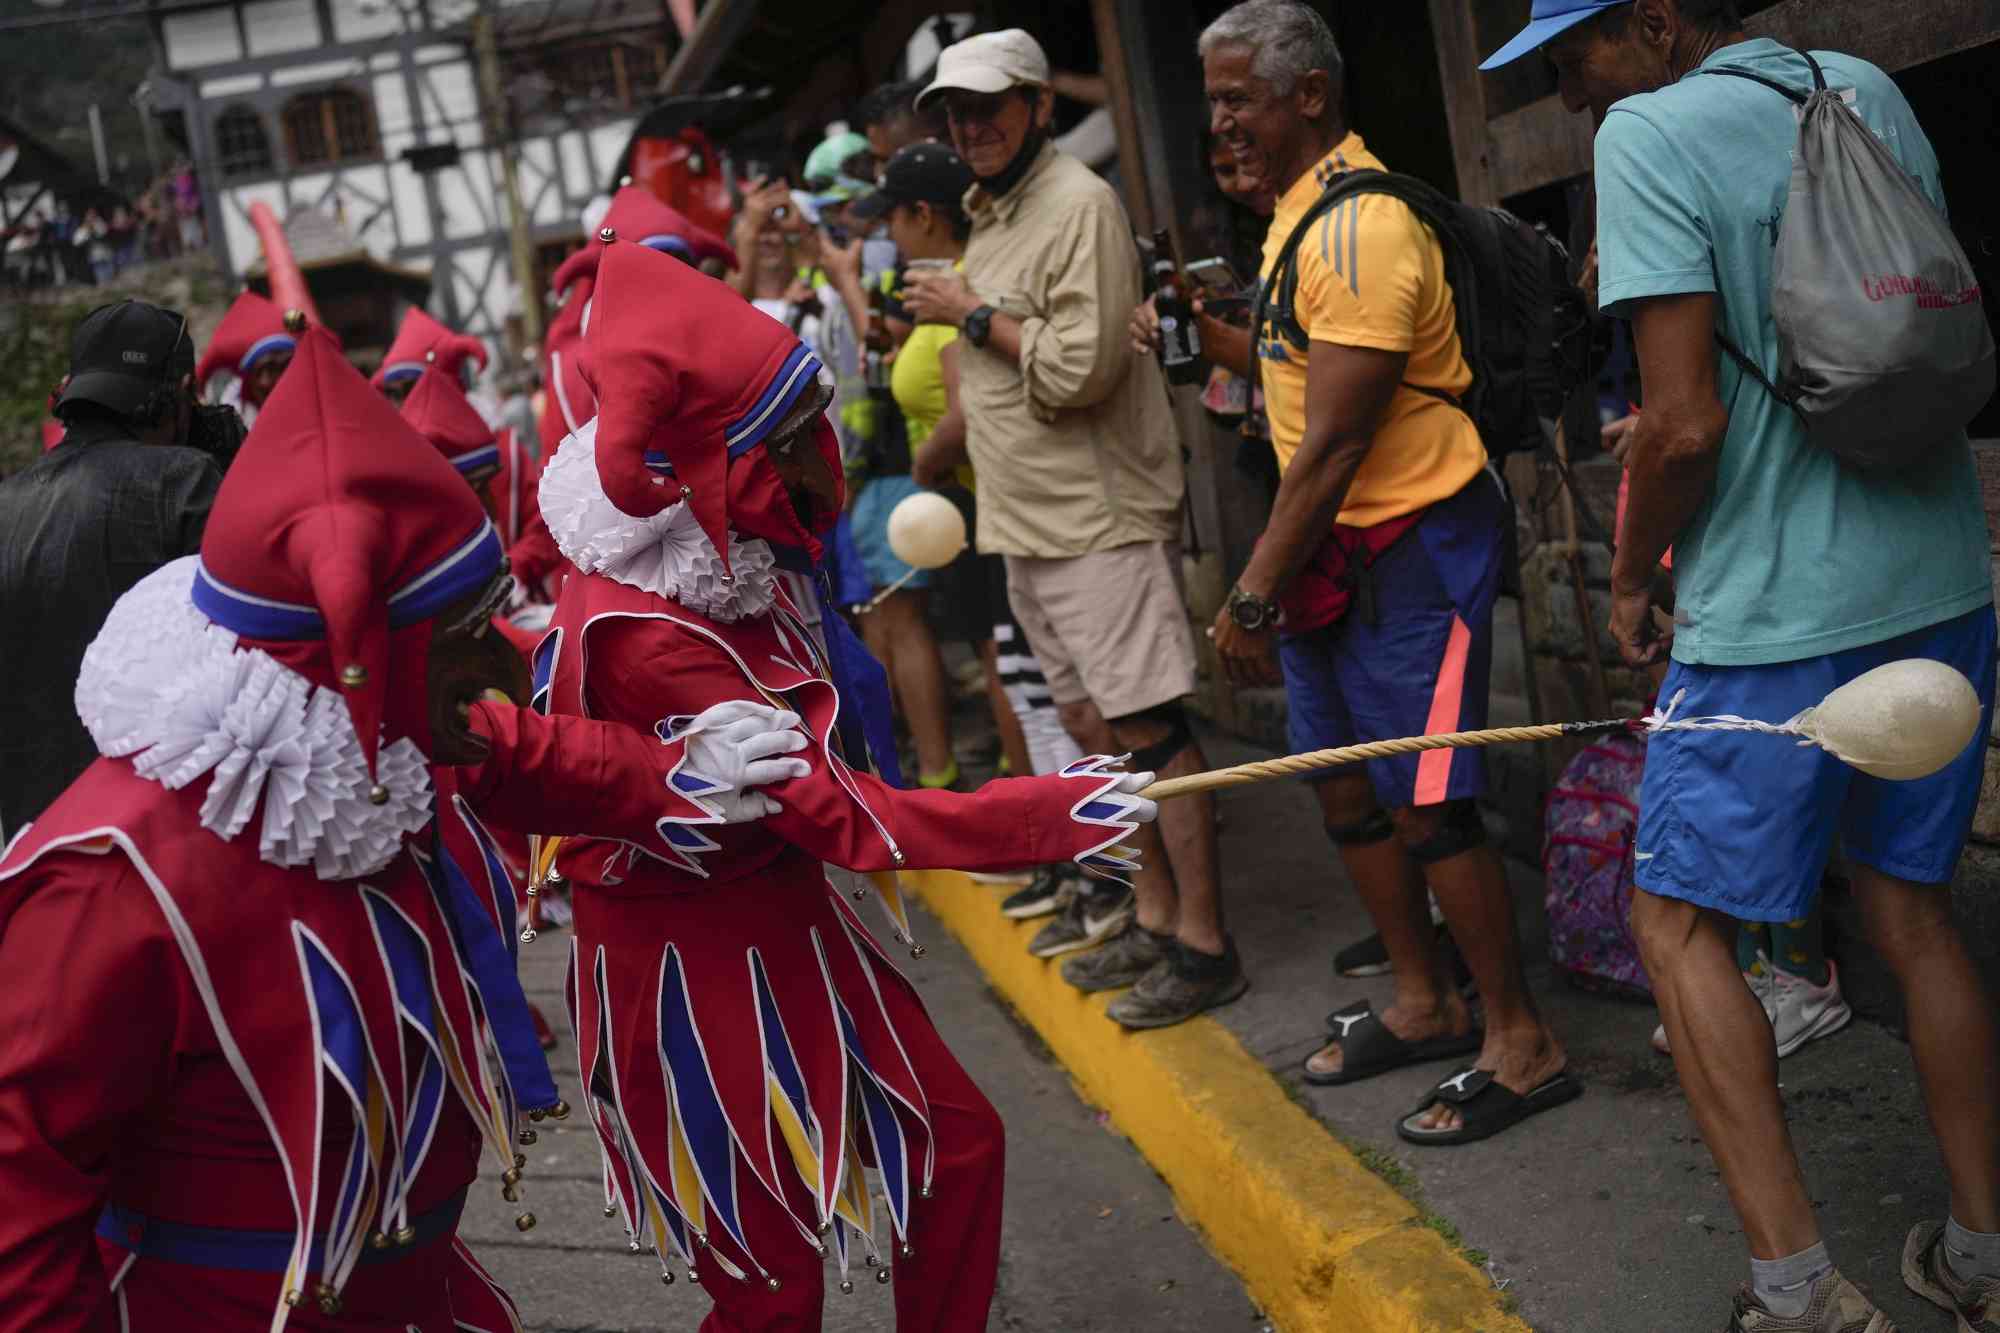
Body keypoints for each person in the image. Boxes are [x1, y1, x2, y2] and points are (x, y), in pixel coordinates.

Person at [0, 325, 810, 1331]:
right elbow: (19, 1205)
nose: (500, 664)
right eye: (470, 634)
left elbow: (539, 754)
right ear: (357, 649)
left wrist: (679, 769)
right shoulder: (113, 883)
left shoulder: (366, 740)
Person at [534, 234, 1160, 1329]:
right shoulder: (644, 629)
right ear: (712, 461)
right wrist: (1044, 813)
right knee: (771, 1280)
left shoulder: (723, 559)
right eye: (784, 443)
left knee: (954, 1148)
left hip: (786, 924)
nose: (810, 457)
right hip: (688, 963)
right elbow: (836, 810)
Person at [1485, 2, 2000, 1330]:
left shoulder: (1651, 133)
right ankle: (1982, 1260)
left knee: (1675, 923)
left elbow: (1684, 423)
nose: (1568, 89)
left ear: (1655, 25)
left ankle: (1795, 1291)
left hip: (1775, 613)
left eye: (1573, 54)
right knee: (1912, 909)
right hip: (1938, 576)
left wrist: (1630, 574)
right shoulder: (1860, 88)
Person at [1197, 0, 1577, 1141]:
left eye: (1235, 99)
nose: (1218, 123)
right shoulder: (1293, 218)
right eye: (1208, 100)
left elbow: (1335, 443)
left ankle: (1521, 1040)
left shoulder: (1359, 229)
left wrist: (1251, 591)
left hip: (1409, 546)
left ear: (1308, 95)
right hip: (1336, 550)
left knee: (1427, 801)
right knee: (1343, 783)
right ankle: (1425, 1001)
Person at [902, 28, 1243, 1029]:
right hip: (1024, 522)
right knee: (1093, 729)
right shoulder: (988, 211)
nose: (968, 128)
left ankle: (1204, 942)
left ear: (1038, 106)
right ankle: (1150, 910)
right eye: (952, 114)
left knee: (1149, 730)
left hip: (1095, 517)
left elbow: (1077, 373)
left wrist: (968, 314)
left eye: (987, 106)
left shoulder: (1076, 206)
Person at [0, 300, 222, 839]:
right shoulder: (185, 480)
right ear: (183, 395)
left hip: (34, 846)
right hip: (157, 838)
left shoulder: (4, 502)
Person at [195, 289, 299, 427]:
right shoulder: (233, 430)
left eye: (288, 365)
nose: (280, 379)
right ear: (248, 381)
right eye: (269, 368)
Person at [372, 306, 489, 407]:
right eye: (392, 393)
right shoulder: (395, 430)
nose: (404, 401)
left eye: (411, 388)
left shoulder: (482, 416)